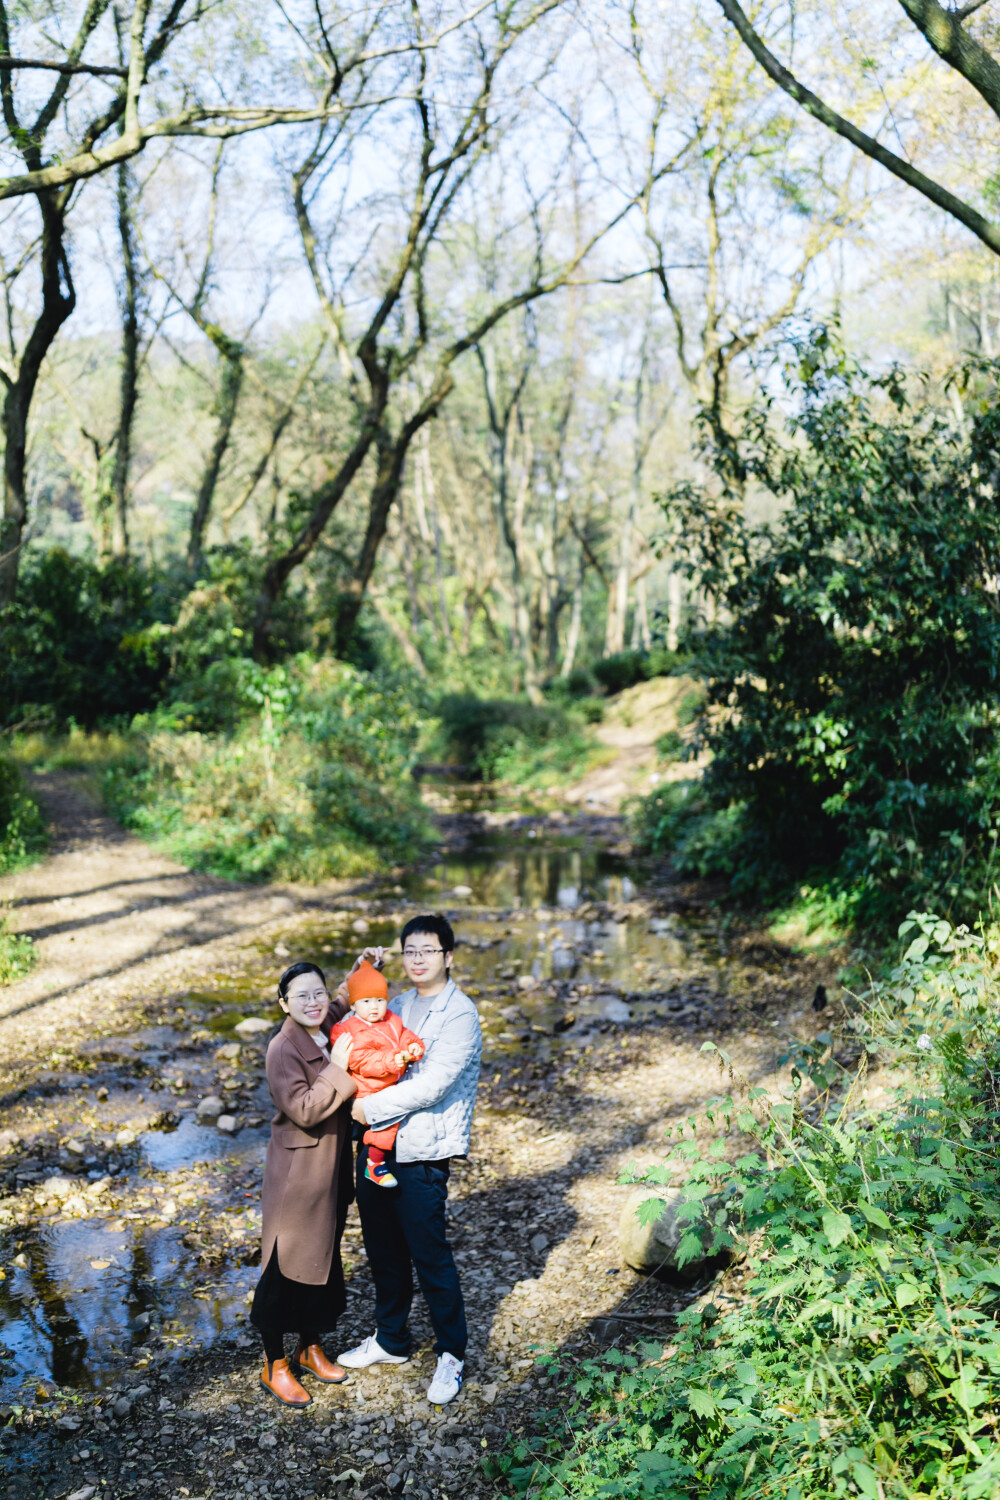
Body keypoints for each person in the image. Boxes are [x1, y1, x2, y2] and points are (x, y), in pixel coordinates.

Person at [337, 914, 482, 1407]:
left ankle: (451, 1353)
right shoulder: (394, 1004)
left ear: (448, 956)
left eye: (428, 951)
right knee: (382, 1249)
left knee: (429, 1252)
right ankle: (391, 1339)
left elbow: (433, 1083)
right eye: (410, 952)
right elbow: (350, 1032)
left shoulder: (459, 1013)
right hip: (376, 1145)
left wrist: (365, 1108)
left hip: (422, 1150)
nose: (418, 960)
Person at [251, 960, 356, 1408]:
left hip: (331, 1168)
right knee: (284, 1266)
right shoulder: (282, 1048)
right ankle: (274, 1363)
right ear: (283, 1003)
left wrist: (363, 969)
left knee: (323, 1261)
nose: (313, 1003)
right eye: (301, 997)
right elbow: (306, 1109)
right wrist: (339, 1068)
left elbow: (343, 999)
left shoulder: (323, 1021)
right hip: (298, 1176)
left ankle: (310, 1346)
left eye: (318, 993)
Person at [330, 959, 425, 1188]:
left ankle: (376, 1154)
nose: (374, 1006)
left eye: (380, 1000)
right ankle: (374, 1163)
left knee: (397, 1117)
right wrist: (392, 1060)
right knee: (387, 1122)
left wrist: (413, 1046)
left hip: (388, 1082)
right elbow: (362, 1060)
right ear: (353, 1004)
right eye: (366, 1001)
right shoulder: (350, 1029)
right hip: (367, 1087)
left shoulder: (391, 1020)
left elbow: (403, 1035)